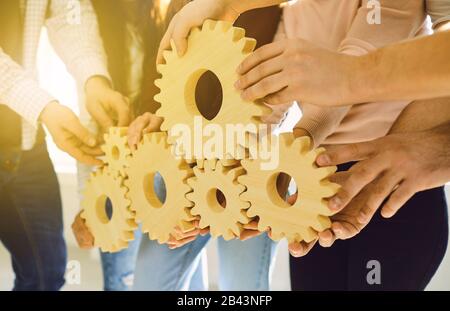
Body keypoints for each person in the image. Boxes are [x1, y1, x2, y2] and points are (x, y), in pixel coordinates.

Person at [158, 0, 450, 290]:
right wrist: (233, 179)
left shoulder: (384, 8)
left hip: (400, 181)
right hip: (323, 179)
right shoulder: (291, 13)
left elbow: (343, 81)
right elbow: (266, 105)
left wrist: (296, 147)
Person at [0, 0, 128, 290]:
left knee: (47, 274)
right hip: (35, 111)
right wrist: (44, 107)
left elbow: (70, 13)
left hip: (24, 144)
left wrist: (94, 80)